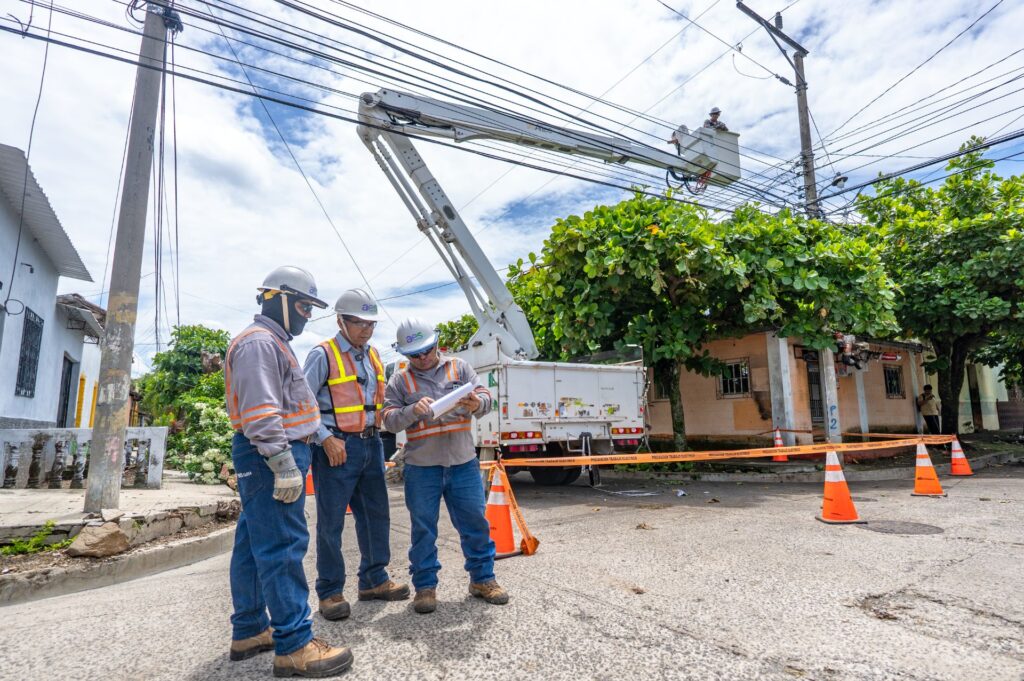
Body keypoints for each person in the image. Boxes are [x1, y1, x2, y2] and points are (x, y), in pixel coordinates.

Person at [225, 266, 353, 678]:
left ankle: (249, 629)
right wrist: (282, 463)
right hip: (269, 455)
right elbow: (262, 412)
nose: (304, 315)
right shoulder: (261, 343)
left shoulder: (271, 343)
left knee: (252, 543)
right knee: (283, 546)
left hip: (263, 454)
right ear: (276, 298)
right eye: (301, 306)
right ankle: (295, 645)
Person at [380, 317, 509, 614]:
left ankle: (482, 579)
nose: (423, 358)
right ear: (404, 354)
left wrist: (477, 404)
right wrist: (412, 411)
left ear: (437, 343)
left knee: (475, 524)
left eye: (427, 350)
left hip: (462, 463)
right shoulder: (400, 381)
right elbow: (387, 418)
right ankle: (425, 587)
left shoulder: (459, 367)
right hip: (422, 467)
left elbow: (486, 396)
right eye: (415, 354)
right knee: (423, 529)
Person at [302, 289, 409, 622]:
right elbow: (302, 403)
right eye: (358, 322)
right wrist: (325, 438)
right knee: (332, 522)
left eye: (371, 323)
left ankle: (374, 580)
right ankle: (330, 591)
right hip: (336, 448)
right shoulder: (323, 354)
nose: (366, 329)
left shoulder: (374, 356)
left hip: (372, 444)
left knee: (376, 515)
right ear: (340, 321)